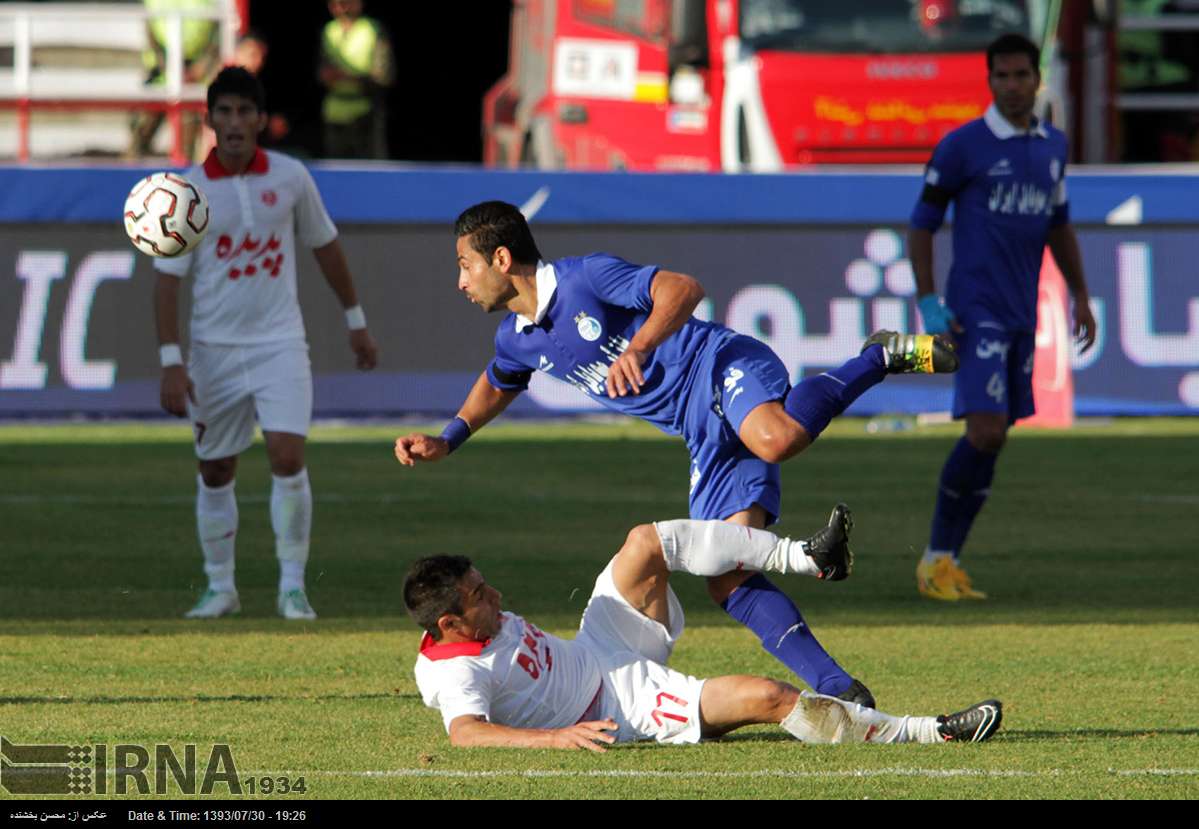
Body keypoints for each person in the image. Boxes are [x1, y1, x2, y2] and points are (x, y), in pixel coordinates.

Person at [395, 200, 959, 705]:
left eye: (464, 265)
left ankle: (876, 357)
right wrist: (449, 438)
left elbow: (684, 289)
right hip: (698, 428)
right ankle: (839, 687)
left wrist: (639, 347)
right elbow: (498, 383)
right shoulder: (516, 338)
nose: (460, 281)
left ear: (500, 258)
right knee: (726, 572)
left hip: (718, 364)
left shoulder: (585, 277)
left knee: (776, 436)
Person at [405, 513, 1003, 750]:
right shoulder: (455, 672)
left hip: (601, 645)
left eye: (484, 583)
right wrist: (557, 739)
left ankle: (805, 556)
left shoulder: (469, 622)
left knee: (646, 542)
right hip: (617, 706)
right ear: (448, 623)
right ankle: (930, 731)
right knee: (769, 697)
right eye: (480, 596)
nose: (496, 596)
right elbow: (465, 733)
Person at [154, 67, 379, 620]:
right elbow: (167, 280)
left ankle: (293, 587)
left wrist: (355, 320)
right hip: (213, 351)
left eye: (244, 111)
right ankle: (220, 588)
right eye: (224, 112)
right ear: (209, 121)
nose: (234, 122)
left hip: (280, 343)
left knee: (287, 455)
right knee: (216, 470)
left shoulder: (291, 177)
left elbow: (325, 246)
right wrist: (171, 362)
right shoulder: (187, 192)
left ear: (260, 119)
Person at [908, 33, 1096, 601]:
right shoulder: (963, 146)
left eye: (1021, 75)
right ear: (989, 81)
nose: (1012, 86)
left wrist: (1080, 295)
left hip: (1020, 311)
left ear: (1038, 79)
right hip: (976, 309)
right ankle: (934, 559)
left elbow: (1058, 224)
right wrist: (929, 301)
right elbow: (921, 224)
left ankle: (948, 561)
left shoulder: (1053, 145)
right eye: (1002, 76)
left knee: (996, 438)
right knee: (984, 430)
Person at [127, 0, 222, 161]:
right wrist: (170, 68)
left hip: (193, 79)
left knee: (187, 141)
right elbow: (151, 35)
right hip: (159, 74)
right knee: (140, 133)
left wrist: (198, 69)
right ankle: (131, 170)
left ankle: (184, 173)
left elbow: (215, 36)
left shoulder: (208, 3)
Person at [318, 0, 394, 159]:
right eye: (336, 3)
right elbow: (321, 70)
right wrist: (327, 76)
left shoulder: (372, 29)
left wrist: (349, 77)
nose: (341, 6)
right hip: (334, 115)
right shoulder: (329, 31)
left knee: (370, 167)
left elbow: (384, 76)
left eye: (346, 2)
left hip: (366, 114)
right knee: (336, 167)